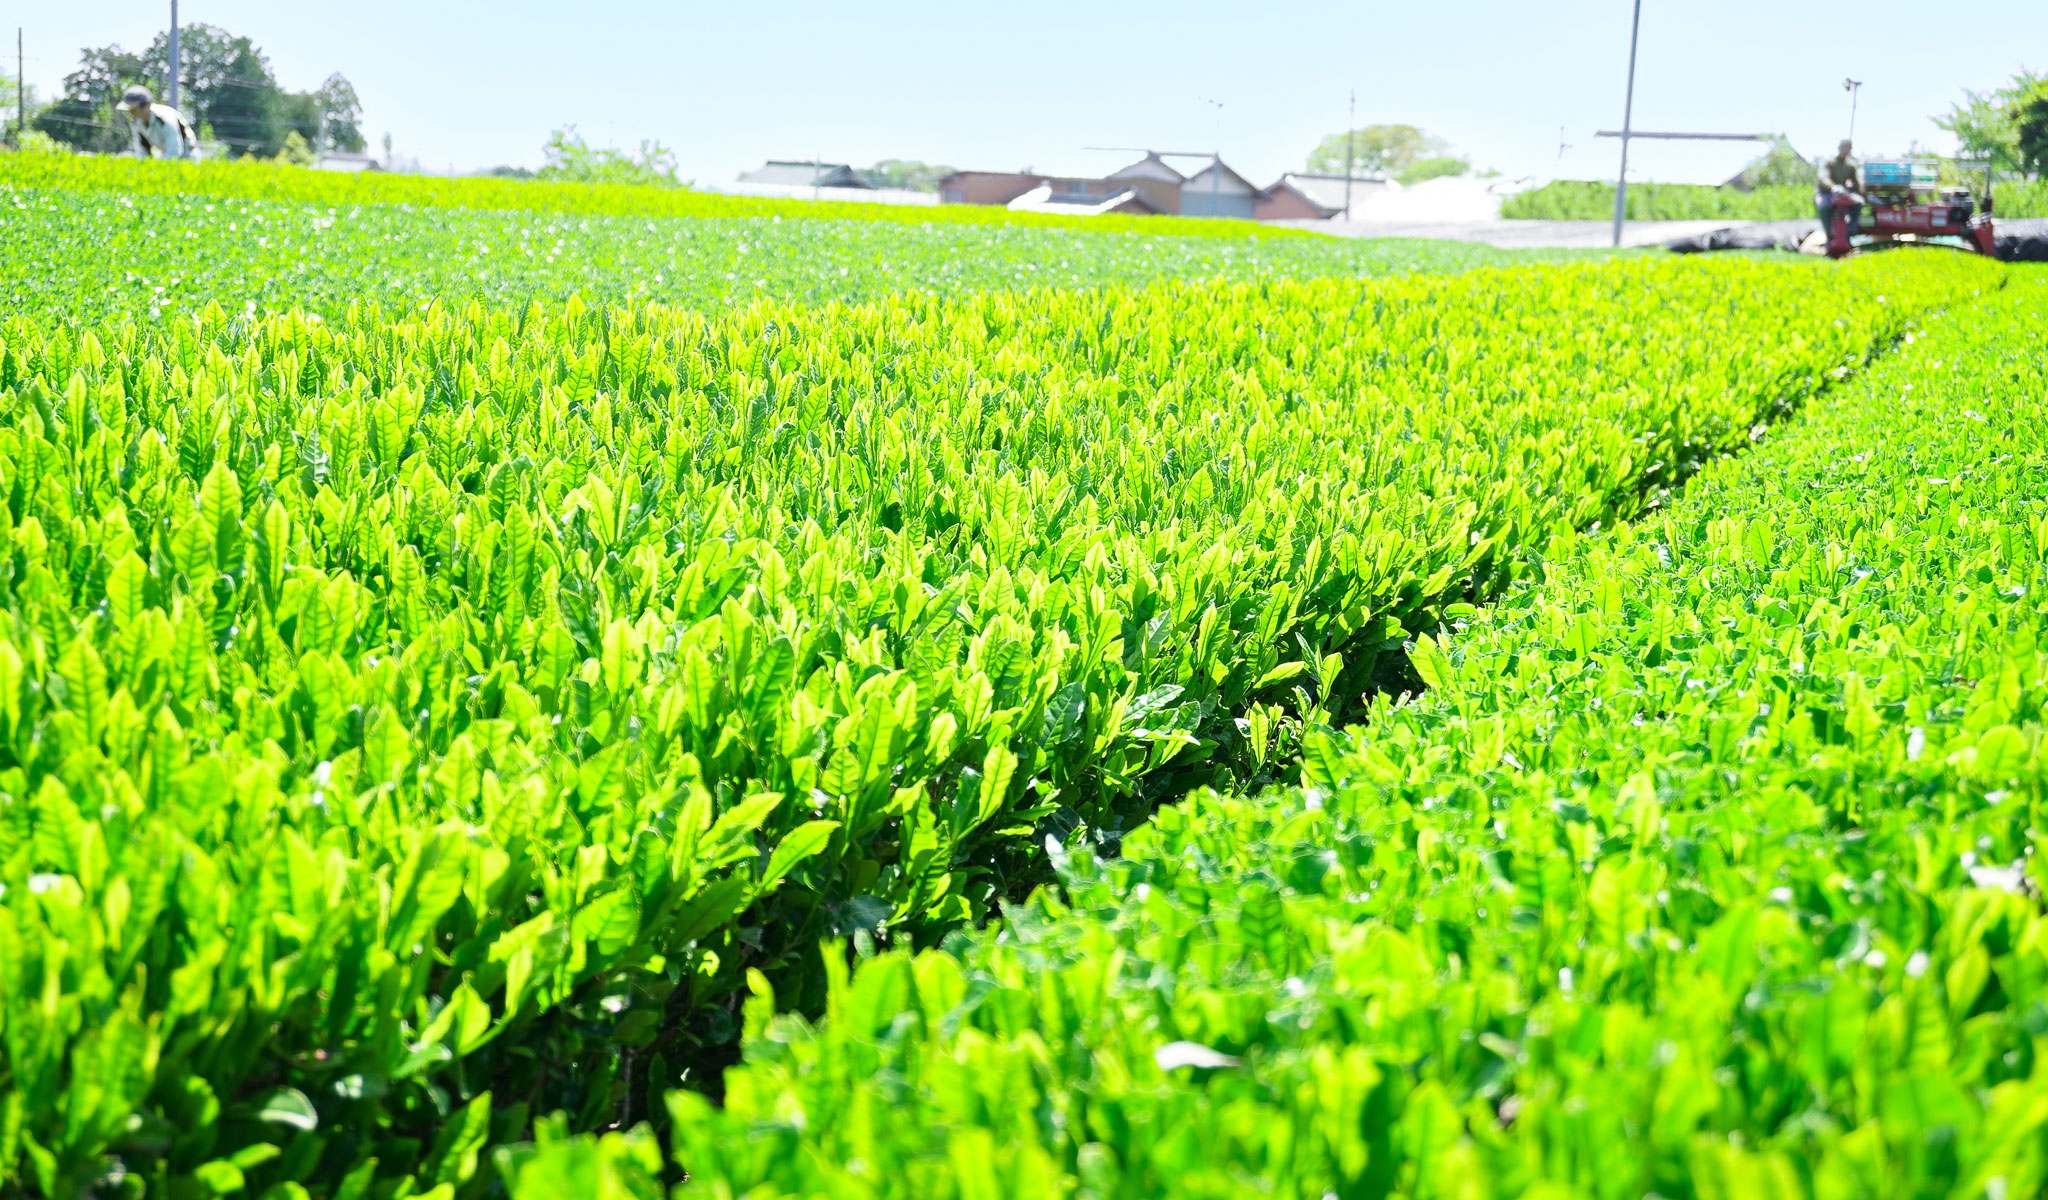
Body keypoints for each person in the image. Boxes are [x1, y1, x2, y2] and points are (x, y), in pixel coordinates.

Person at [117, 85, 196, 161]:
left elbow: (174, 151)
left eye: (134, 109)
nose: (131, 112)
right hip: (165, 154)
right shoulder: (137, 123)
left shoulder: (165, 117)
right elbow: (142, 151)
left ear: (146, 105)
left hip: (188, 154)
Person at [1816, 139, 1862, 239]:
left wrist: (1858, 187)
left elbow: (1857, 183)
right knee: (1825, 207)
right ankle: (1828, 234)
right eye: (1844, 146)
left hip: (1842, 194)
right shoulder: (1829, 163)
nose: (1846, 149)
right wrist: (1833, 187)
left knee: (1858, 203)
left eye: (1848, 147)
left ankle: (1850, 231)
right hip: (1825, 193)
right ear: (1839, 147)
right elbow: (1823, 177)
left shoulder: (1850, 166)